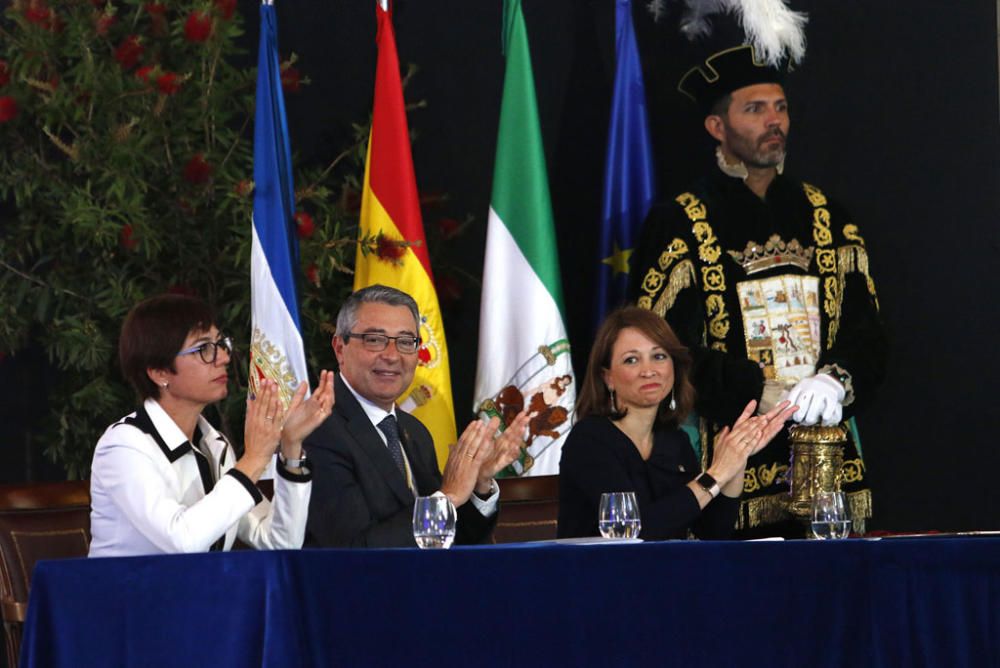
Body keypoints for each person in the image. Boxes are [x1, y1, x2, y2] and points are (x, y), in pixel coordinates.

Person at [629, 44, 887, 536]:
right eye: (755, 109)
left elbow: (869, 330)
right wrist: (752, 389)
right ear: (717, 127)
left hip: (825, 459)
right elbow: (654, 347)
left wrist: (835, 381)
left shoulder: (828, 215)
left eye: (781, 107)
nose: (775, 121)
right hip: (725, 456)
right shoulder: (679, 221)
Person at [89, 294, 334, 557]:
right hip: (132, 597)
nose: (224, 357)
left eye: (220, 344)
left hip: (201, 595)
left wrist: (291, 448)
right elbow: (182, 541)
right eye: (203, 349)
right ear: (160, 372)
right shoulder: (124, 446)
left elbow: (279, 543)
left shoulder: (213, 445)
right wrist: (254, 459)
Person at [305, 285, 525, 548]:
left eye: (406, 342)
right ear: (340, 348)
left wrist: (479, 486)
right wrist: (448, 497)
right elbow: (354, 549)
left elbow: (451, 541)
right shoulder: (317, 429)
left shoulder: (414, 432)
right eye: (375, 339)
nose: (392, 356)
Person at [558, 307, 795, 540]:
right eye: (631, 360)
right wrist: (716, 474)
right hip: (600, 576)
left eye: (659, 356)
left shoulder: (673, 440)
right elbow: (635, 533)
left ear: (674, 366)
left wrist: (737, 459)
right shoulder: (589, 439)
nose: (648, 371)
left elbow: (712, 532)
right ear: (608, 377)